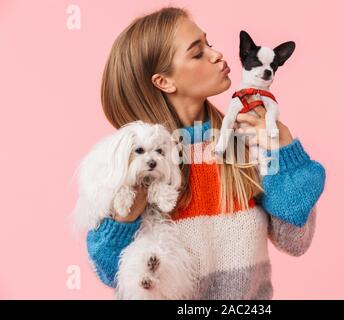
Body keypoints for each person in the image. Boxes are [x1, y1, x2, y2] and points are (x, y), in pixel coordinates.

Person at [86, 5, 326, 299]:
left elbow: (296, 241)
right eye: (197, 52)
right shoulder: (138, 159)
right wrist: (126, 218)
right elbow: (110, 272)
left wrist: (285, 152)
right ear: (164, 81)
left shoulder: (243, 144)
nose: (217, 55)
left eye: (209, 44)